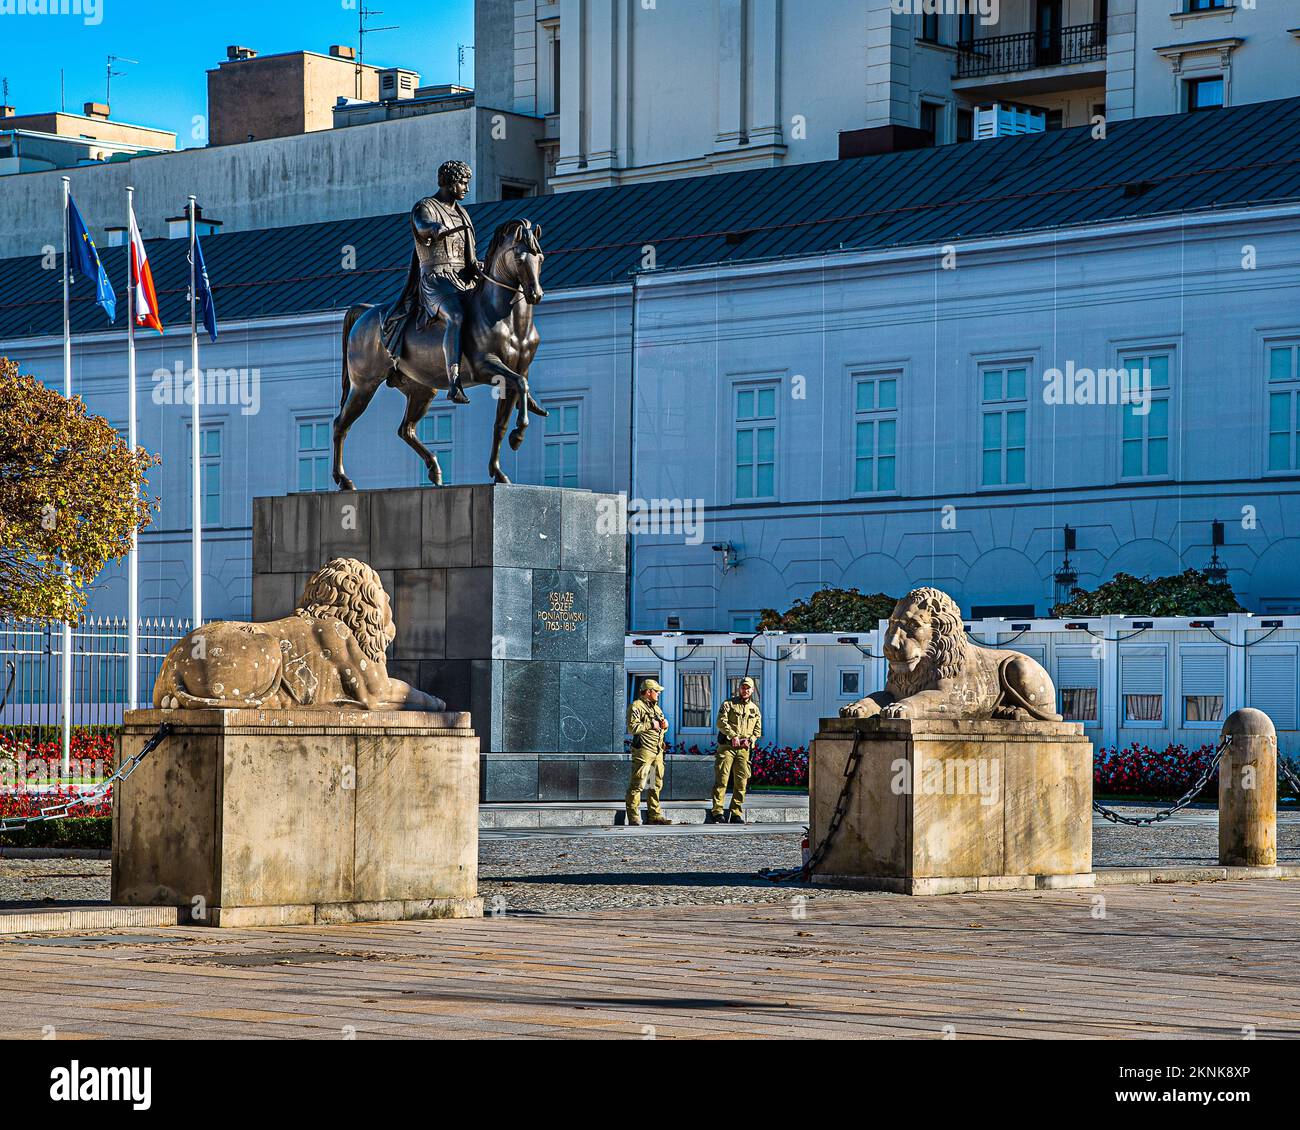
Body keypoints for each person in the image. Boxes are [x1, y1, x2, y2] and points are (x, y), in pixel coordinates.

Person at [380, 160, 483, 405]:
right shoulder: (425, 206)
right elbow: (422, 227)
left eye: (467, 183)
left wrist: (479, 267)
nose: (466, 188)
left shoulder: (463, 213)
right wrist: (434, 228)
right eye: (462, 182)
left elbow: (470, 258)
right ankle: (454, 380)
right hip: (435, 279)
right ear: (448, 182)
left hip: (461, 281)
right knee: (456, 316)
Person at [711, 676, 762, 824]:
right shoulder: (728, 704)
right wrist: (732, 735)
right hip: (727, 747)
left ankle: (736, 812)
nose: (745, 690)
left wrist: (750, 740)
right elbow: (721, 722)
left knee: (741, 782)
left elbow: (757, 731)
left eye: (748, 688)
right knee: (722, 779)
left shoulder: (755, 709)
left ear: (752, 690)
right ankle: (717, 811)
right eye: (743, 687)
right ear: (739, 688)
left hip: (744, 750)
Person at [625, 678, 672, 827]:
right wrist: (651, 724)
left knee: (655, 784)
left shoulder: (656, 708)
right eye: (656, 691)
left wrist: (665, 725)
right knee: (638, 784)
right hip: (644, 751)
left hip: (657, 751)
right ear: (649, 691)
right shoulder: (636, 706)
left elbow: (660, 727)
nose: (658, 694)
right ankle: (633, 816)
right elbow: (632, 728)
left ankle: (655, 816)